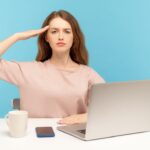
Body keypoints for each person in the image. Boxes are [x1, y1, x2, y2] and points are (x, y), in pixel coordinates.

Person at [0, 10, 105, 125]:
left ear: (74, 37)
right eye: (54, 32)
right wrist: (17, 36)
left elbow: (110, 107)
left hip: (74, 139)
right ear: (46, 37)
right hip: (34, 138)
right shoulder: (27, 71)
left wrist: (88, 117)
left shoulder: (87, 74)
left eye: (67, 31)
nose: (60, 37)